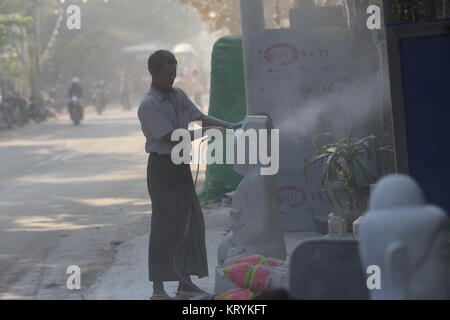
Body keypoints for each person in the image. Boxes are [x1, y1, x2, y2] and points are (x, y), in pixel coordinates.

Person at [137, 50, 234, 300]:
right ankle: (158, 288)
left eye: (174, 73)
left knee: (189, 222)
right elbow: (172, 137)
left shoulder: (179, 95)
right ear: (153, 73)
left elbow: (200, 118)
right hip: (162, 168)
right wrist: (211, 135)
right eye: (166, 74)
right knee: (164, 226)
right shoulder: (148, 105)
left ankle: (185, 283)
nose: (171, 78)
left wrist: (231, 127)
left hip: (181, 165)